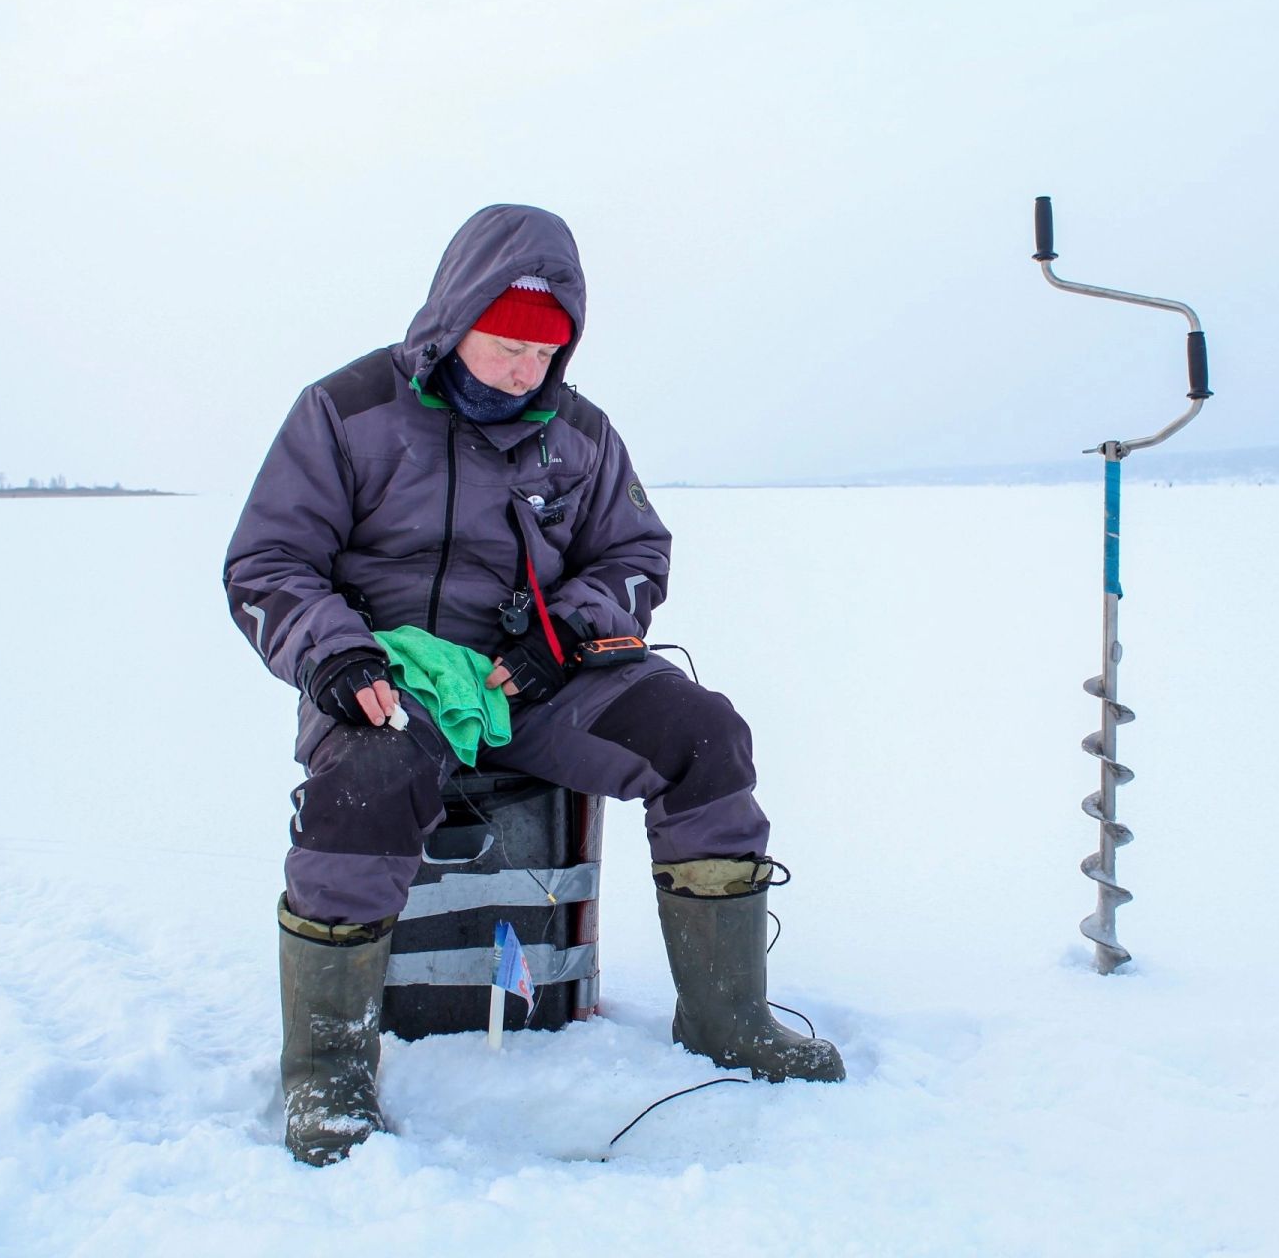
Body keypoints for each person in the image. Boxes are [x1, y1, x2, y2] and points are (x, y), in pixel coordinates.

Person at [224, 204, 844, 1167]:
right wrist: (339, 657)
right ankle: (329, 1073)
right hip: (394, 686)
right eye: (507, 346)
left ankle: (728, 1018)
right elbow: (268, 562)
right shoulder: (345, 412)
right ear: (452, 320)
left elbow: (637, 552)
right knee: (367, 789)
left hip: (540, 682)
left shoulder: (581, 433)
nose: (525, 372)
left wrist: (571, 637)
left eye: (545, 354)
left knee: (704, 735)